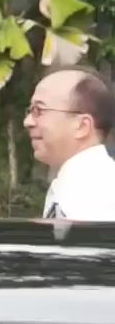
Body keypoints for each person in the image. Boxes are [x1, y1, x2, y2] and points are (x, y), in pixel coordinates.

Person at [24, 65, 115, 219]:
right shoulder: (74, 183)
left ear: (82, 126)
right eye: (30, 110)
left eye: (39, 110)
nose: (27, 122)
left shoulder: (97, 192)